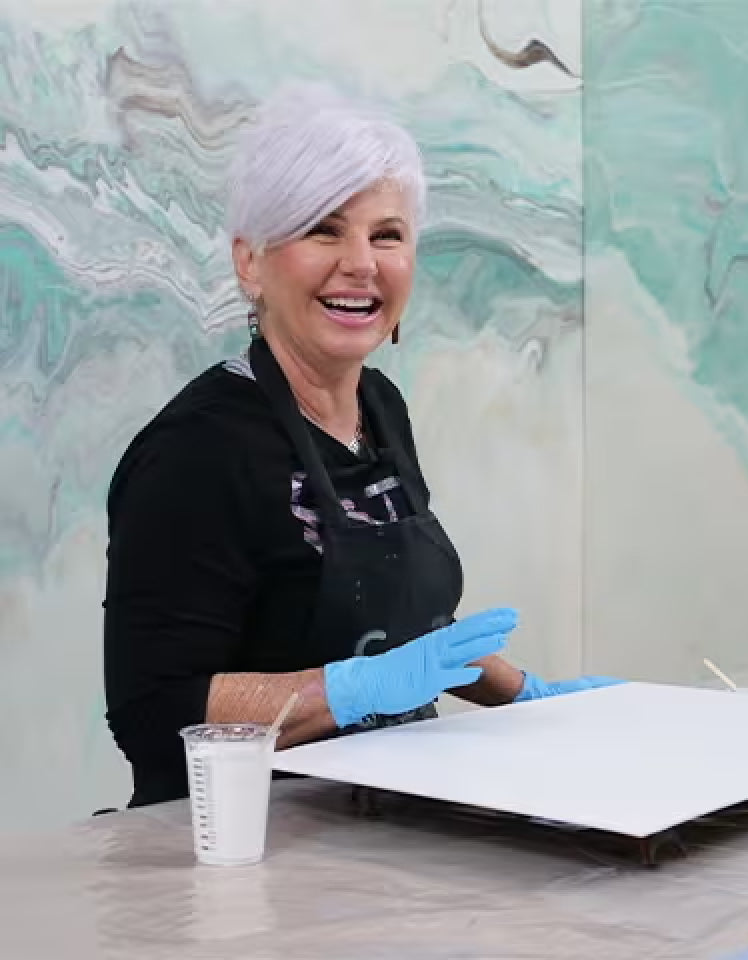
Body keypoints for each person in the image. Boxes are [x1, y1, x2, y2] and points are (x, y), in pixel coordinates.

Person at [103, 84, 622, 808]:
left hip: (389, 828)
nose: (361, 263)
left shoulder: (380, 406)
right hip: (250, 852)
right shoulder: (195, 453)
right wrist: (346, 692)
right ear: (251, 263)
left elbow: (403, 636)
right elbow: (153, 712)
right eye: (323, 230)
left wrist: (530, 698)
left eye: (387, 235)